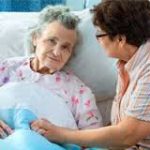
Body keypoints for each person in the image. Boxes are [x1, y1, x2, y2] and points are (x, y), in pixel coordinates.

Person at [31, 0, 150, 149]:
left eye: (100, 34)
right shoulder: (126, 64)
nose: (97, 40)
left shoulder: (147, 69)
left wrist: (60, 134)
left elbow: (127, 135)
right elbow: (118, 127)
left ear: (120, 39)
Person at [0, 5, 103, 138]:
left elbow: (94, 139)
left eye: (65, 47)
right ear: (35, 38)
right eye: (52, 41)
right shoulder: (7, 68)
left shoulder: (78, 91)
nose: (56, 52)